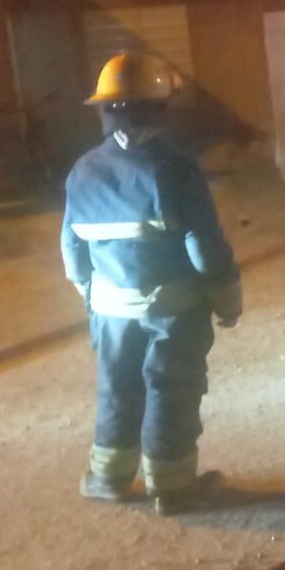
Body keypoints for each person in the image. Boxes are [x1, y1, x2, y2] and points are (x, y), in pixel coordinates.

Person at [61, 52, 243, 515]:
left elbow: (72, 249)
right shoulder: (177, 169)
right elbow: (204, 247)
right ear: (161, 107)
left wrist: (87, 289)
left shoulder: (82, 170)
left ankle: (108, 477)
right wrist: (227, 299)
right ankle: (172, 485)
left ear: (104, 109)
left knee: (117, 385)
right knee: (171, 386)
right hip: (173, 310)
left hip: (109, 310)